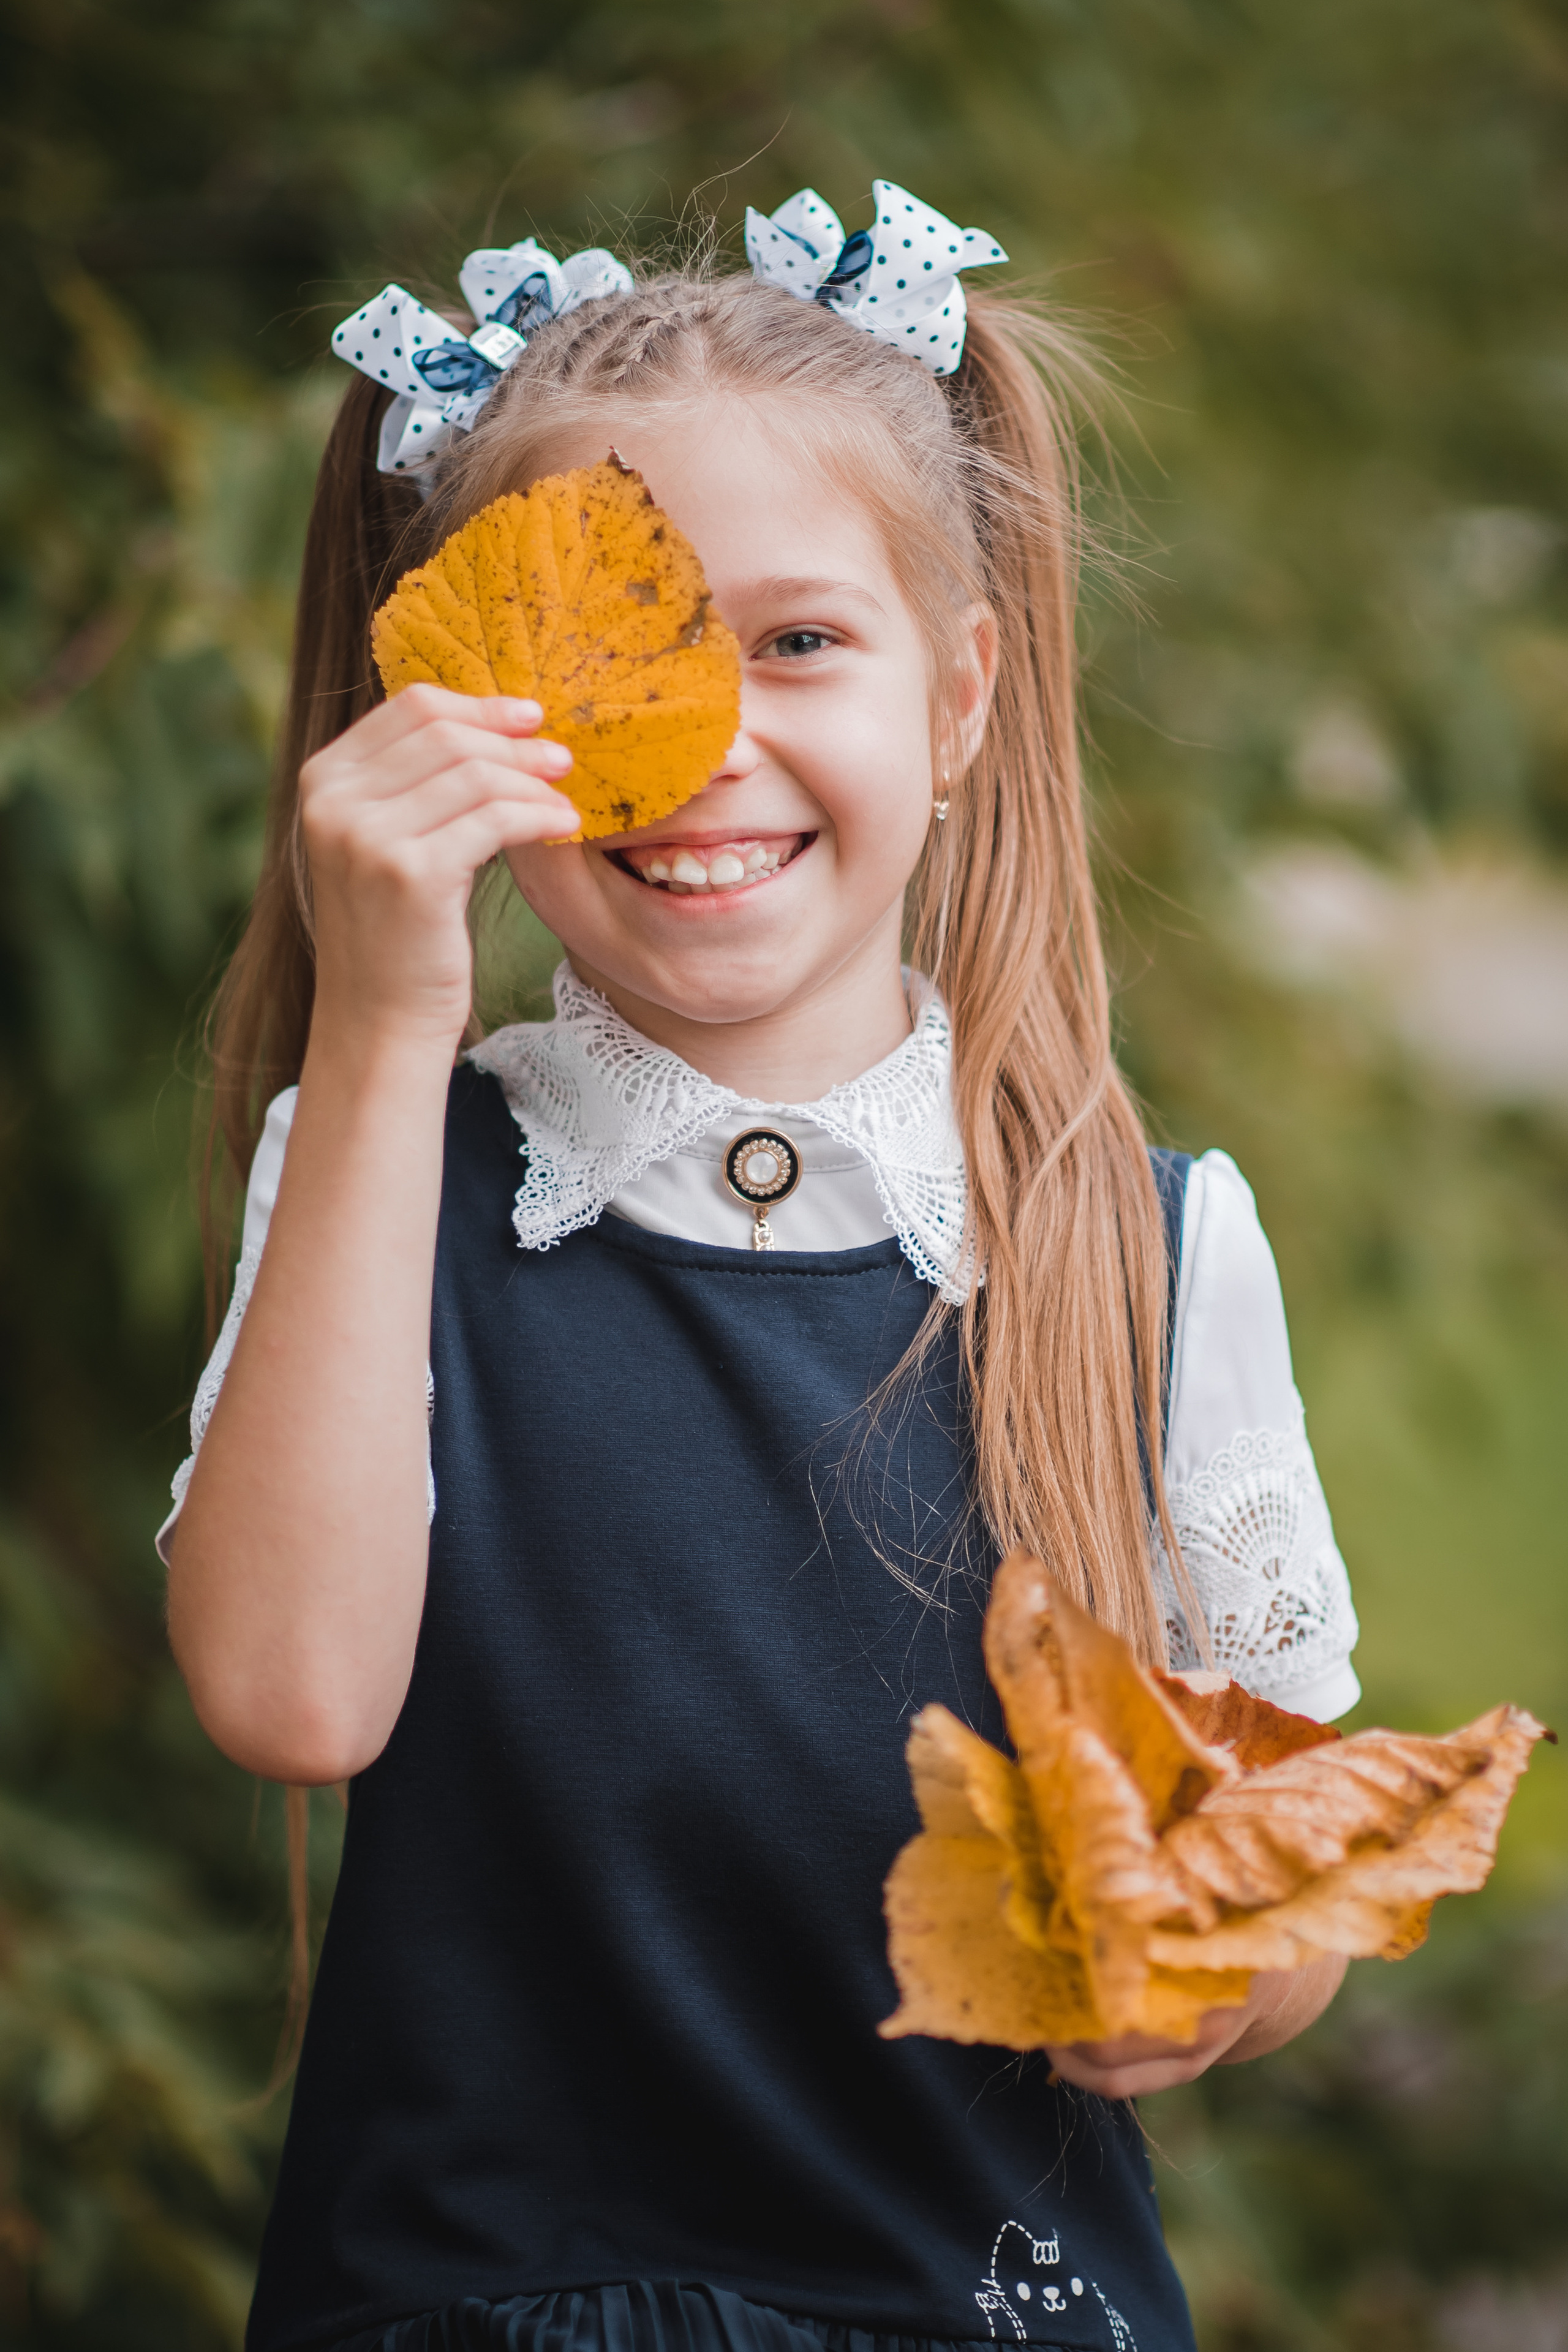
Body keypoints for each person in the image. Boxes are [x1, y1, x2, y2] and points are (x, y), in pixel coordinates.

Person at [163, 183, 1360, 2352]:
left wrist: (1213, 1959)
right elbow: (290, 1696)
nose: (702, 740)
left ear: (963, 691)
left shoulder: (1145, 1246)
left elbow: (1278, 1876)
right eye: (602, 661)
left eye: (799, 640)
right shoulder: (380, 1166)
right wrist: (379, 1019)